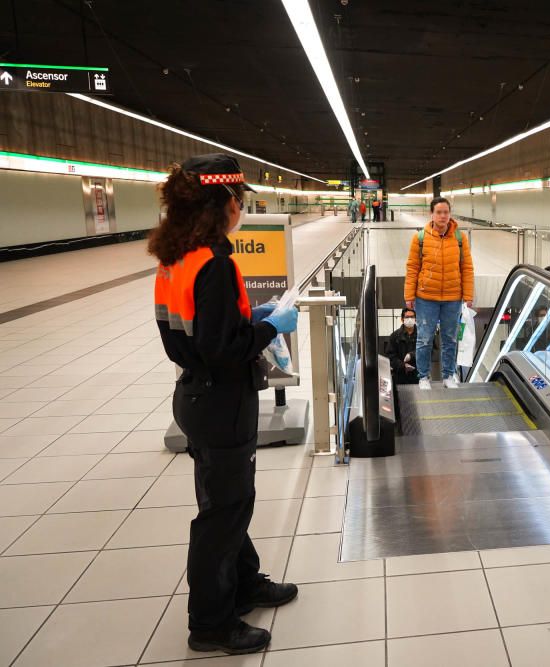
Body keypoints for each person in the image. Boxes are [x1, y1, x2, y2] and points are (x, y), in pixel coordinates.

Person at [149, 153, 300, 654]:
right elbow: (224, 349)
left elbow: (190, 335)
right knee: (223, 513)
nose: (241, 209)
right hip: (221, 401)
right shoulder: (213, 263)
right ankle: (211, 622)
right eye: (240, 200)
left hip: (194, 394)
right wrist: (269, 327)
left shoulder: (177, 257)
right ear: (226, 203)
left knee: (226, 501)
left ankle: (245, 581)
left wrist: (245, 318)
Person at [404, 196, 474, 390]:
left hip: (452, 298)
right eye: (439, 212)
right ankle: (423, 377)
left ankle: (448, 376)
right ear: (431, 214)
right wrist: (409, 295)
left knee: (450, 339)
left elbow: (467, 268)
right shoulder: (420, 238)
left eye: (446, 212)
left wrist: (468, 295)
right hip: (426, 298)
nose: (443, 216)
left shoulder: (460, 239)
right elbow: (412, 268)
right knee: (425, 338)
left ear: (450, 214)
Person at [387, 307, 419, 385]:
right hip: (400, 377)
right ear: (402, 319)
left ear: (415, 319)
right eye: (407, 317)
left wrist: (412, 355)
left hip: (419, 376)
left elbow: (429, 351)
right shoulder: (394, 336)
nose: (410, 319)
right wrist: (403, 366)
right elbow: (390, 356)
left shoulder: (422, 335)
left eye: (412, 317)